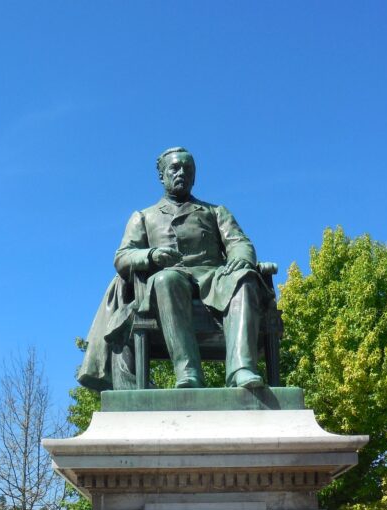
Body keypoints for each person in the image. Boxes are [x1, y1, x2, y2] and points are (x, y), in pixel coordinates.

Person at [77, 147, 266, 390]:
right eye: (175, 168)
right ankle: (188, 373)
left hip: (213, 278)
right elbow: (122, 257)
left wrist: (242, 259)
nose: (182, 173)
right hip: (167, 282)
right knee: (167, 280)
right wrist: (152, 255)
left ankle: (242, 370)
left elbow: (239, 242)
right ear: (162, 175)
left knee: (245, 278)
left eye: (188, 169)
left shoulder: (215, 211)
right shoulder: (143, 216)